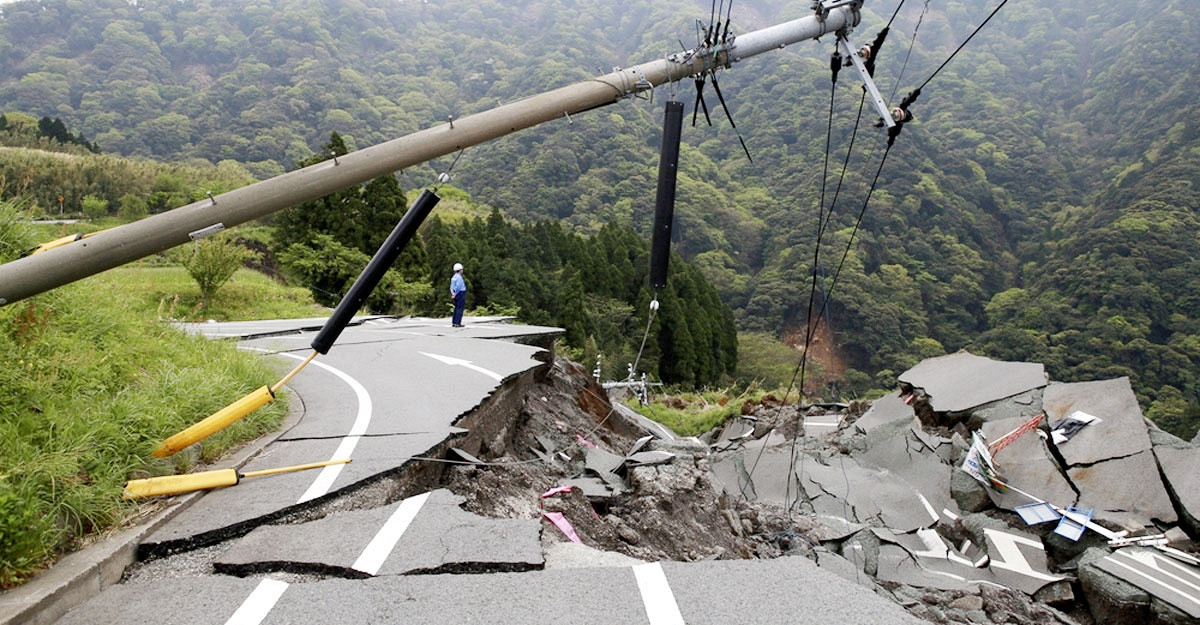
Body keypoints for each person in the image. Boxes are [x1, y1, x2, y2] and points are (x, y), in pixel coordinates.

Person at [449, 262, 467, 327]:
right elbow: (459, 286)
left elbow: (451, 286)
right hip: (460, 293)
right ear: (460, 270)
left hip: (455, 293)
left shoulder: (453, 277)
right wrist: (455, 293)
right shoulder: (459, 277)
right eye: (462, 269)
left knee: (456, 307)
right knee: (460, 308)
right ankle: (458, 322)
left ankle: (454, 322)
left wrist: (453, 293)